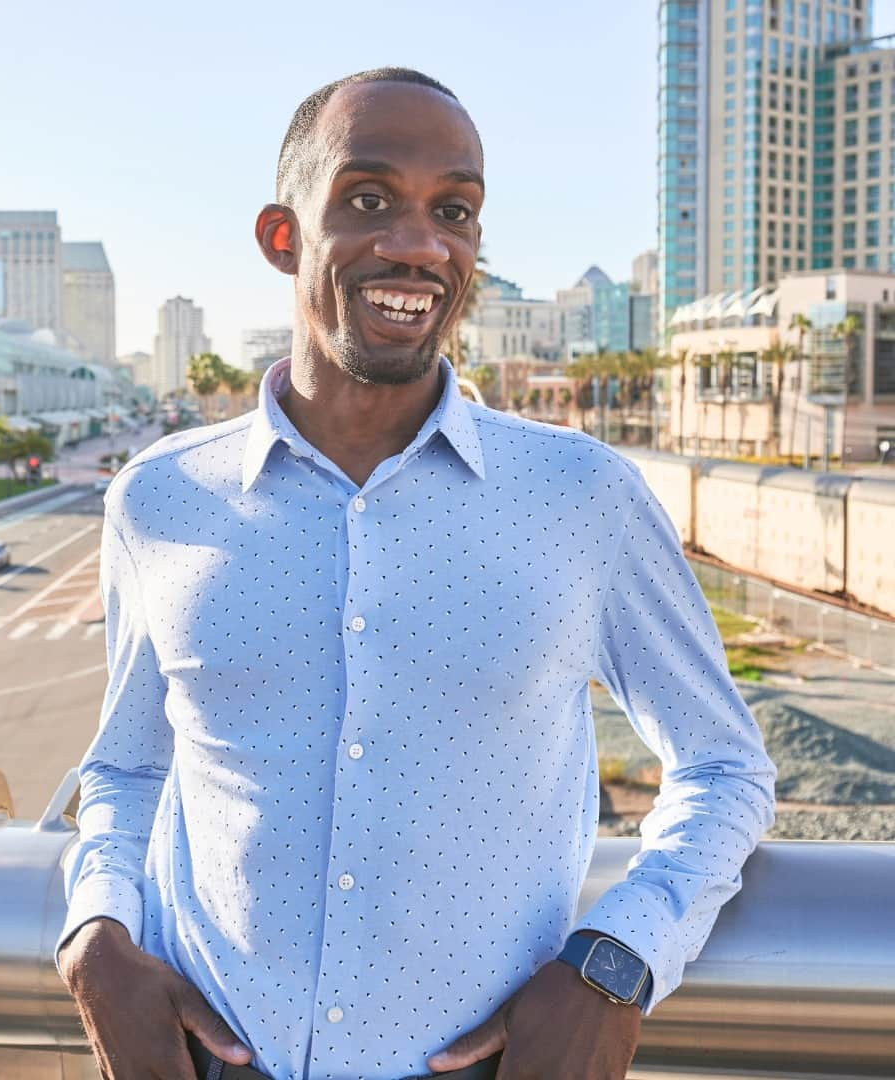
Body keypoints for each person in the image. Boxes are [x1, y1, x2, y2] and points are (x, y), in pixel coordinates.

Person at [57, 69, 776, 1080]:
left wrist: (619, 961)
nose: (419, 244)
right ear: (281, 237)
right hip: (208, 1058)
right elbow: (129, 768)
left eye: (456, 212)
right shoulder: (159, 499)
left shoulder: (582, 495)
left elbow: (723, 765)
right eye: (369, 200)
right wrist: (94, 933)